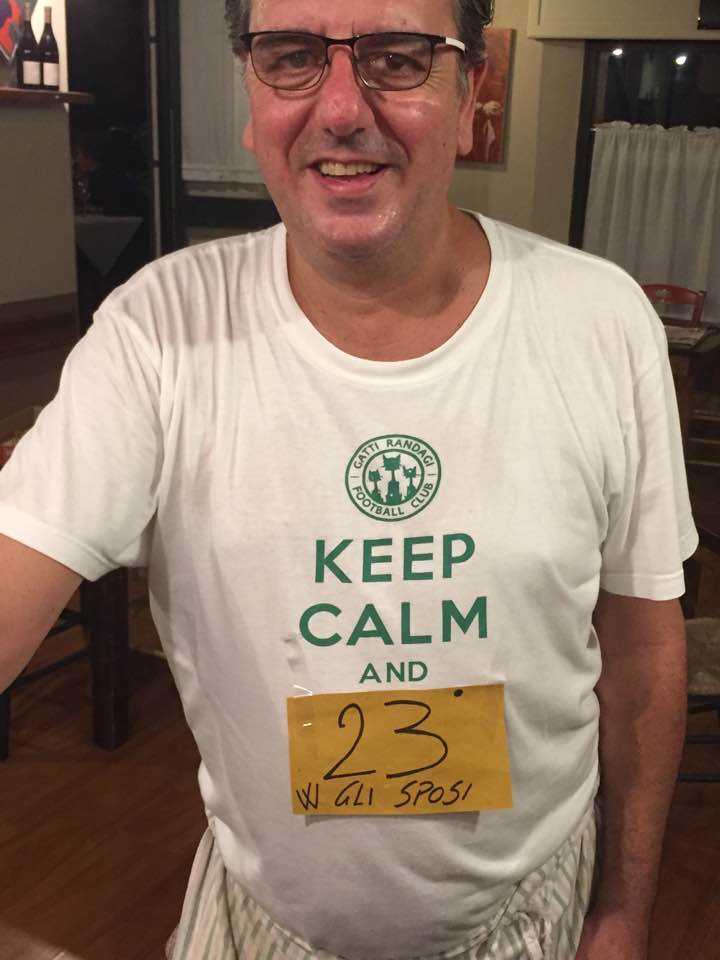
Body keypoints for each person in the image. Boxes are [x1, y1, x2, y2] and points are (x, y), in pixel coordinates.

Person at [0, 1, 696, 958]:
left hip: (534, 911)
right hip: (263, 922)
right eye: (291, 55)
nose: (338, 109)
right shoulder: (161, 330)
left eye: (397, 58)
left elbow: (644, 649)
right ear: (251, 95)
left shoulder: (599, 321)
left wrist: (623, 916)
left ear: (470, 95)